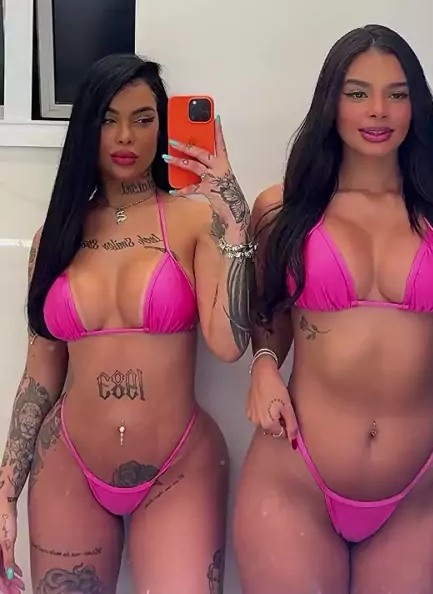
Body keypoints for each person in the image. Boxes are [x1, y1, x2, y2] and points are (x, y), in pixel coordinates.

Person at [234, 25, 433, 594]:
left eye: (398, 93)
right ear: (331, 102)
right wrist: (264, 364)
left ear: (417, 106)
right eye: (358, 92)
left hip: (421, 490)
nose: (378, 111)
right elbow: (267, 309)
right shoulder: (282, 208)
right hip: (295, 475)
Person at [0, 54, 253, 594]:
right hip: (67, 465)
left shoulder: (194, 218)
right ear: (86, 128)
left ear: (162, 125)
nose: (125, 136)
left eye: (143, 119)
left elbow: (230, 344)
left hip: (179, 466)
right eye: (108, 119)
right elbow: (40, 376)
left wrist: (234, 218)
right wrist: (5, 492)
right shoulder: (55, 237)